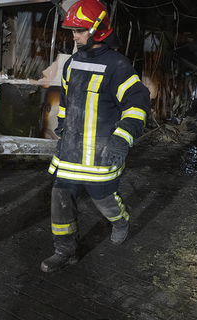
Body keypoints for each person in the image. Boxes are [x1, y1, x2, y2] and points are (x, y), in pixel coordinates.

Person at [42, 0, 150, 273]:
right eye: (72, 31)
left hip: (100, 155)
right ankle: (65, 251)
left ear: (98, 30)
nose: (74, 36)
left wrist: (122, 138)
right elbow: (66, 102)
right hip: (70, 154)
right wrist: (63, 128)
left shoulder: (118, 66)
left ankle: (120, 221)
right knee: (60, 200)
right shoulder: (72, 63)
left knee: (104, 201)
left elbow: (137, 105)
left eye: (80, 31)